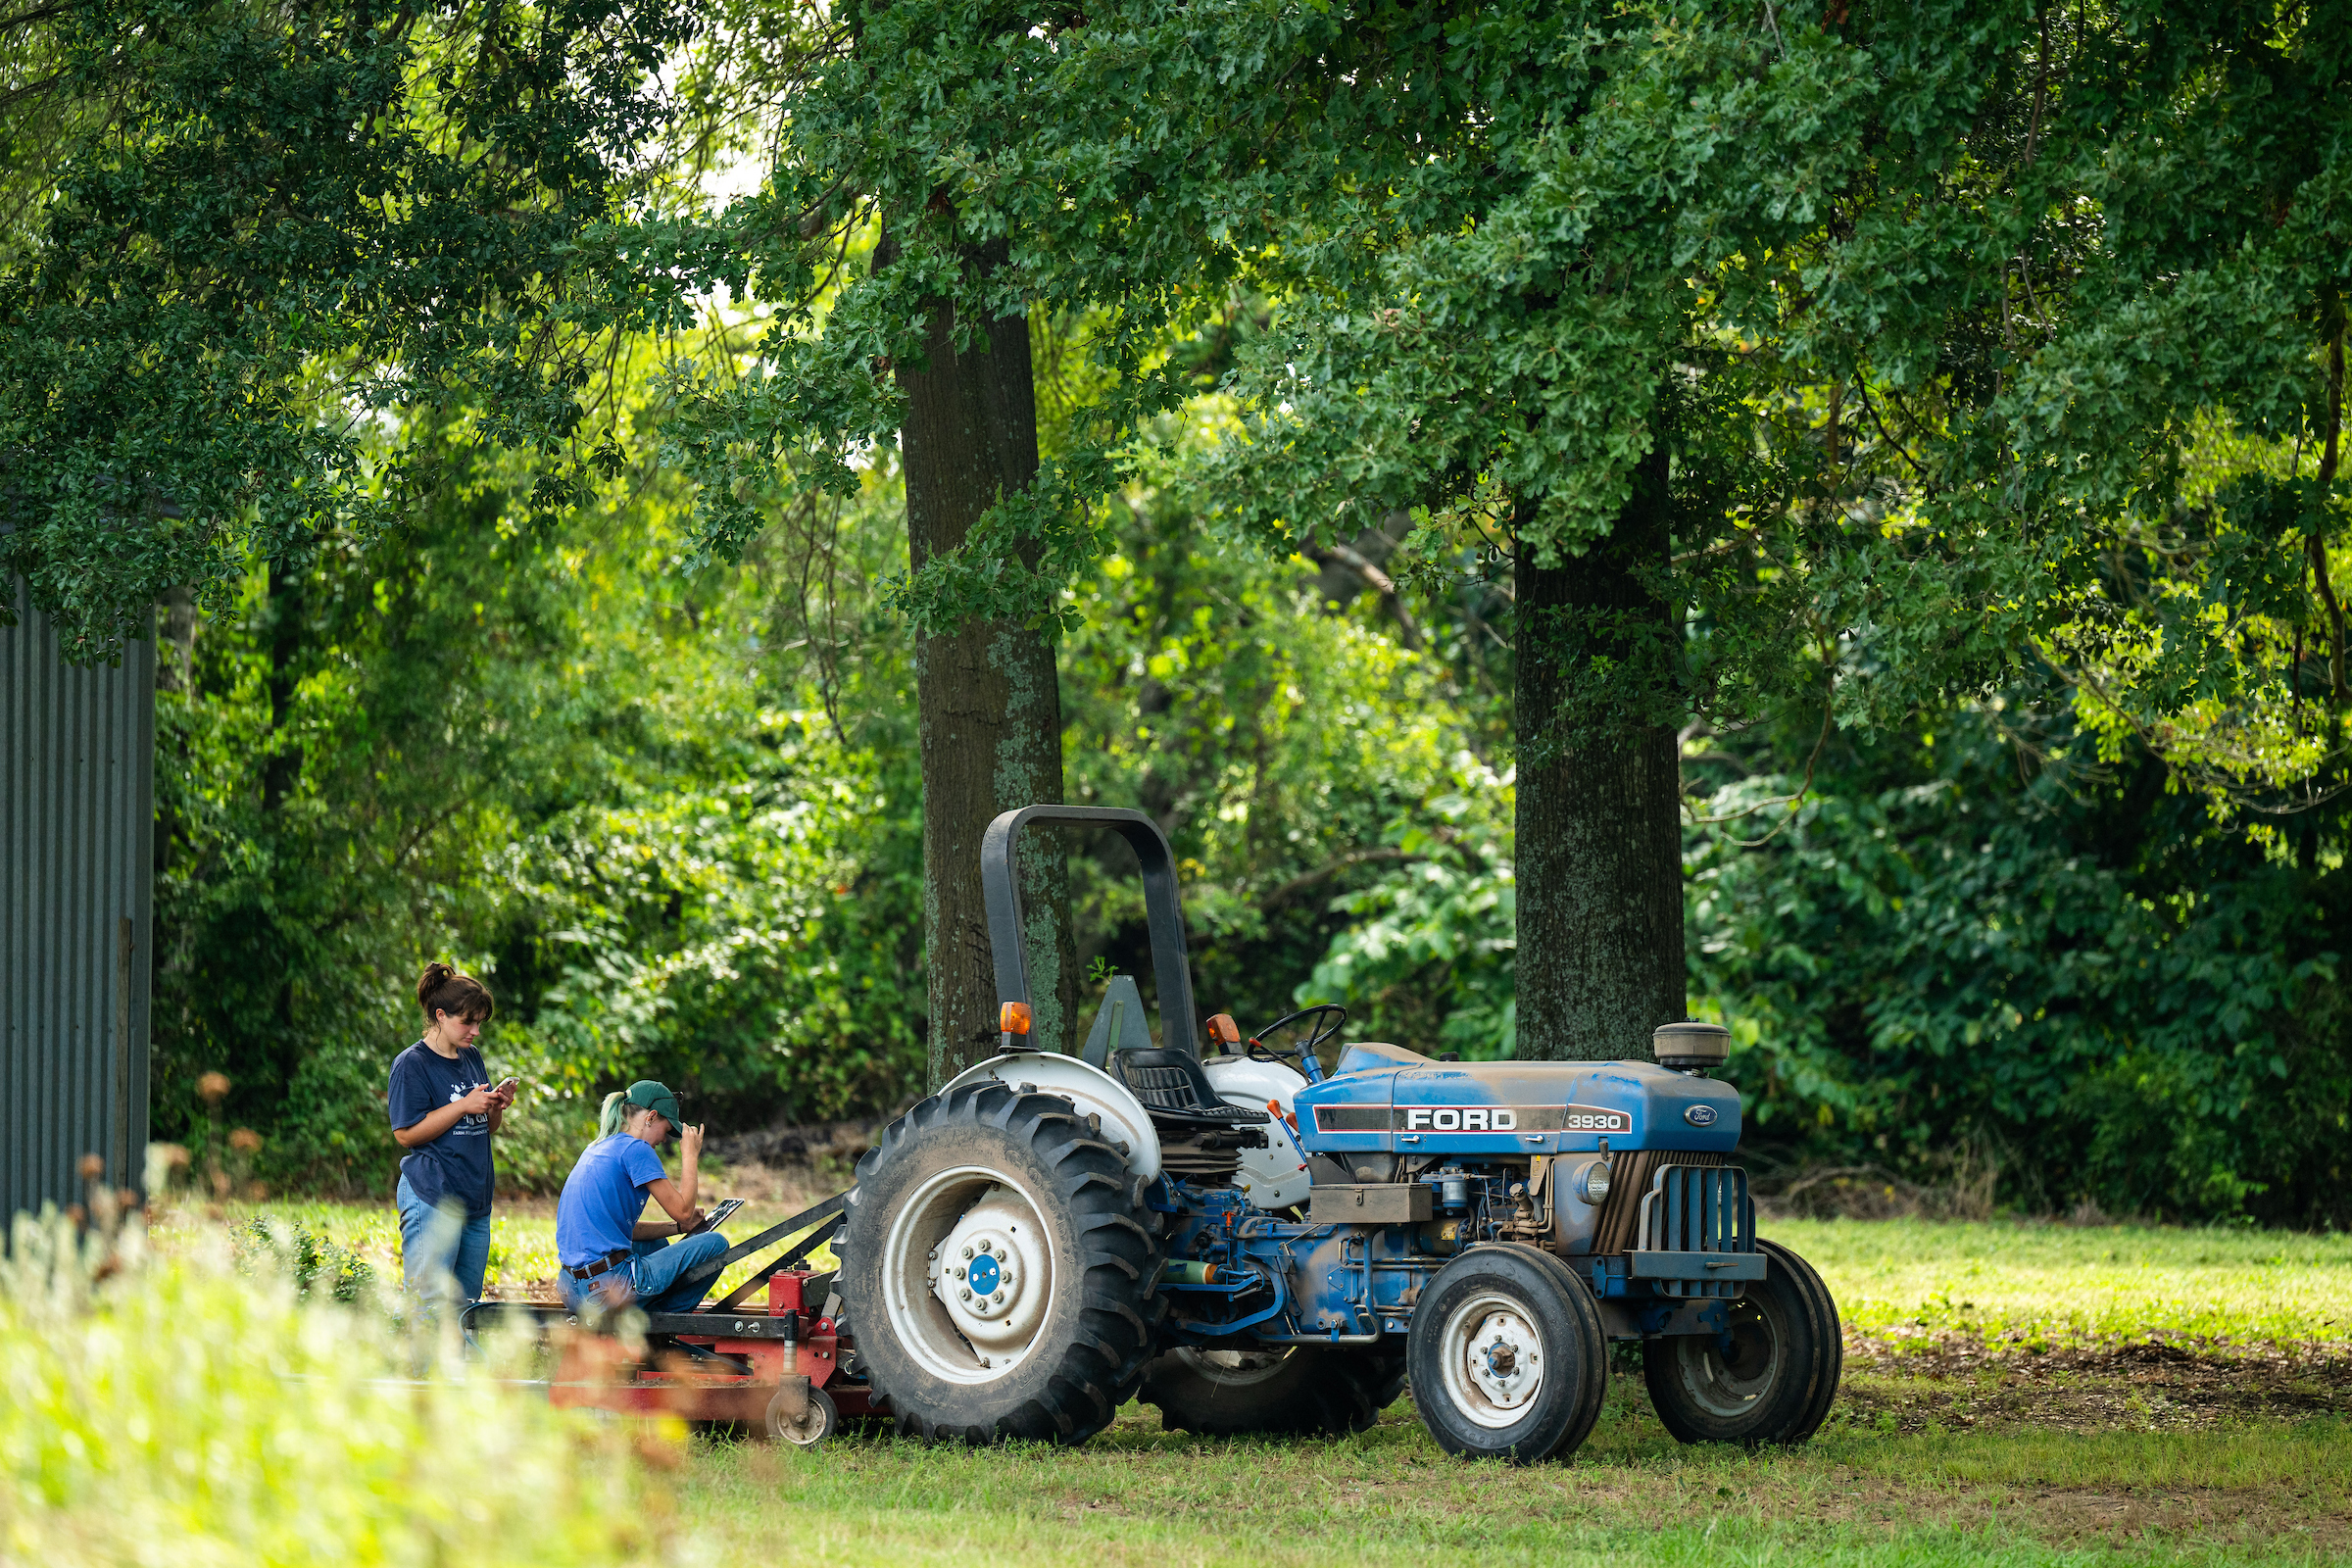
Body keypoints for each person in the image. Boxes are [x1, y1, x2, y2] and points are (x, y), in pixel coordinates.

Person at [388, 961, 514, 1310]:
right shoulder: (412, 1064)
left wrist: (495, 1107)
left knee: (466, 1307)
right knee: (429, 1304)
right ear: (440, 1016)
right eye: (467, 1022)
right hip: (433, 1194)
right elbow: (405, 1134)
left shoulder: (471, 1057)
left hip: (475, 1197)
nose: (475, 1031)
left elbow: (487, 1127)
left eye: (479, 1023)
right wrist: (462, 1106)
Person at [555, 1081, 729, 1314]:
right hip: (606, 1291)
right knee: (716, 1245)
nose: (664, 1139)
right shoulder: (637, 1149)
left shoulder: (597, 1147)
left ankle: (647, 1313)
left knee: (656, 1245)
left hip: (571, 1289)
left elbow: (618, 1230)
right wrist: (690, 1155)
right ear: (651, 1117)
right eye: (666, 1130)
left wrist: (678, 1228)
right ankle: (664, 1321)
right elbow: (684, 1211)